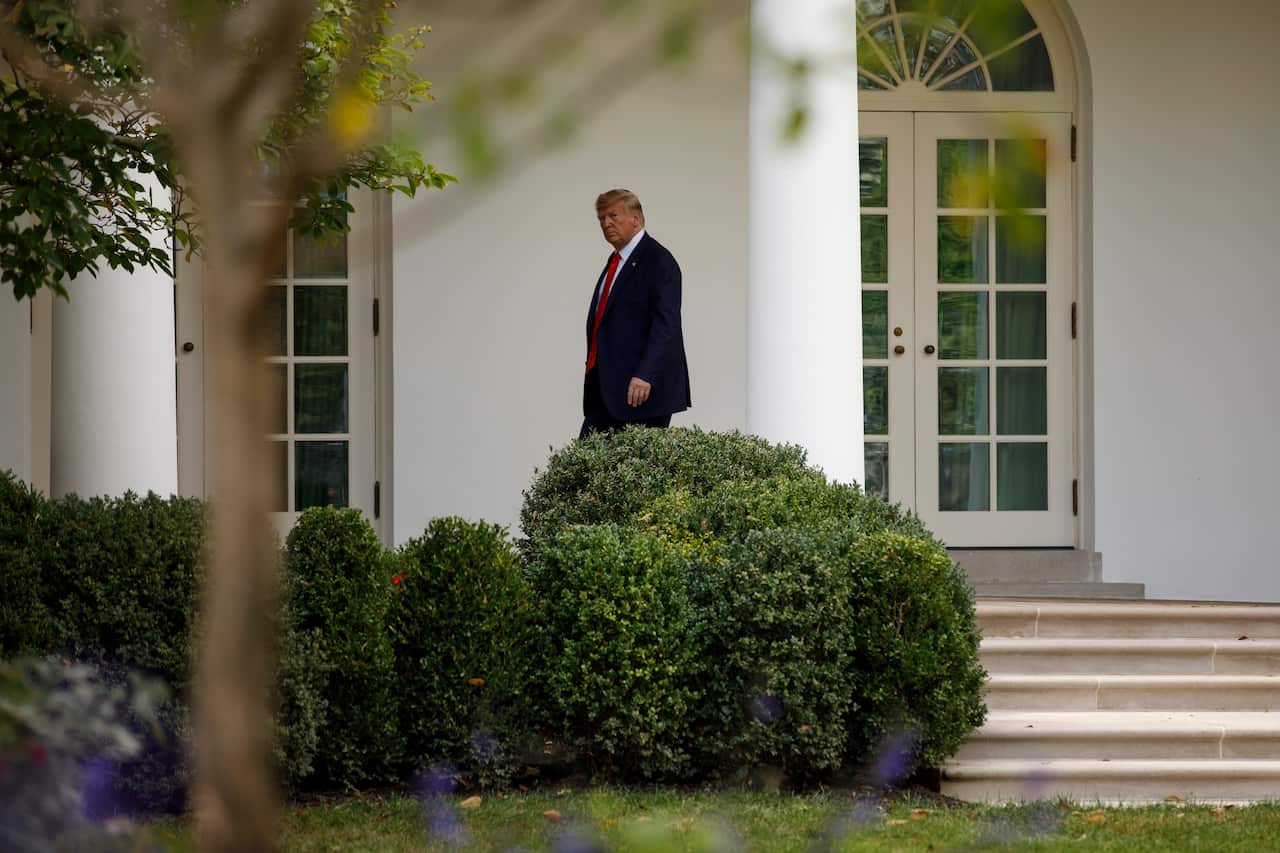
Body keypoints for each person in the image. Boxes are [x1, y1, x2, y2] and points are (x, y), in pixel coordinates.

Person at [580, 189, 691, 437]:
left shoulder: (659, 261)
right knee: (589, 468)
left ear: (636, 219)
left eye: (613, 215)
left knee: (631, 471)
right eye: (601, 219)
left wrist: (645, 375)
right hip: (608, 391)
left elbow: (666, 325)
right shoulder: (615, 261)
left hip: (641, 395)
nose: (606, 223)